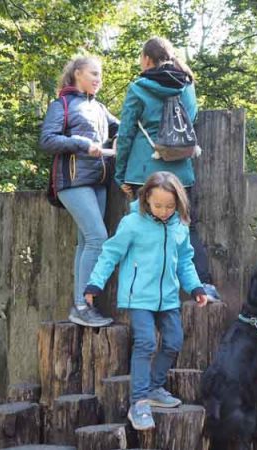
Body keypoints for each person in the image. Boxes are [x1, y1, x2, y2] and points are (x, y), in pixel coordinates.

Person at [83, 171, 209, 430]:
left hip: (168, 297)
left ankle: (154, 386)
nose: (164, 211)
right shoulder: (132, 223)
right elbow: (110, 253)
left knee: (174, 341)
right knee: (146, 343)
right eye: (158, 205)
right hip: (138, 296)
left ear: (179, 204)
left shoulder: (180, 226)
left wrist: (195, 286)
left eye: (170, 206)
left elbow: (185, 261)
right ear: (146, 201)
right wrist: (95, 282)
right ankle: (138, 402)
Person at [114, 36, 220, 301]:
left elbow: (126, 133)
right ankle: (204, 285)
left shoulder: (139, 87)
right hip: (180, 171)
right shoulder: (186, 85)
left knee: (143, 231)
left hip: (144, 172)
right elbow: (191, 119)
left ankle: (149, 294)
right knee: (187, 228)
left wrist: (120, 174)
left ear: (147, 59)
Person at [40, 56, 119, 328]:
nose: (98, 79)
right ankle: (84, 306)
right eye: (93, 73)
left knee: (86, 243)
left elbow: (121, 128)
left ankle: (79, 306)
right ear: (77, 73)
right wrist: (83, 144)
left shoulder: (99, 107)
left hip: (98, 181)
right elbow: (48, 140)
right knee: (98, 238)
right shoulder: (61, 105)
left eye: (101, 75)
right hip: (72, 182)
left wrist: (119, 137)